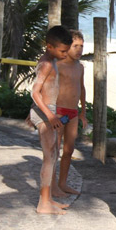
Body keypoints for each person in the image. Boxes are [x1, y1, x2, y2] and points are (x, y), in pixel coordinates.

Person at [29, 25, 73, 215]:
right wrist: (49, 116)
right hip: (46, 113)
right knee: (49, 158)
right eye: (62, 51)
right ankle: (43, 203)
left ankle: (48, 199)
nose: (65, 55)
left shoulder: (52, 59)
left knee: (53, 154)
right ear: (49, 46)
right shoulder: (46, 63)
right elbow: (35, 92)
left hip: (48, 111)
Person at [54, 29, 88, 196]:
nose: (79, 50)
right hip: (59, 112)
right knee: (54, 149)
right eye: (75, 46)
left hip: (73, 113)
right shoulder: (58, 65)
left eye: (81, 46)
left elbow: (81, 88)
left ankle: (63, 183)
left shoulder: (80, 67)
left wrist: (83, 112)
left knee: (68, 150)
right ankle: (52, 184)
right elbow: (46, 88)